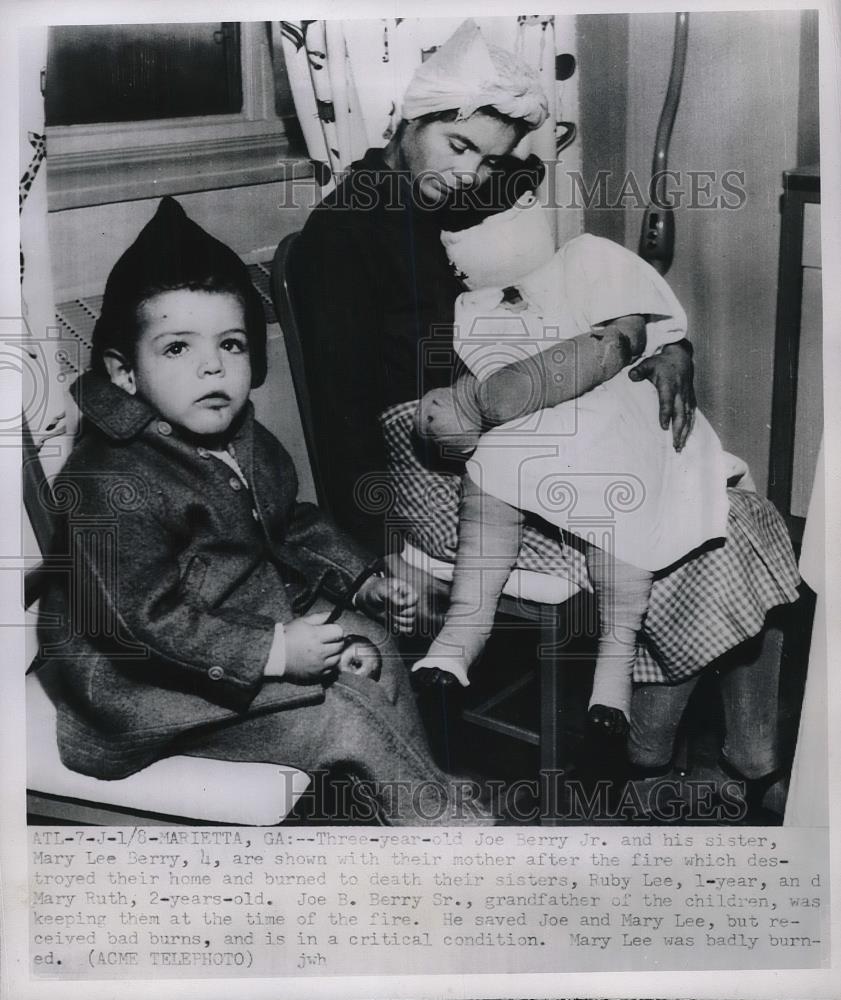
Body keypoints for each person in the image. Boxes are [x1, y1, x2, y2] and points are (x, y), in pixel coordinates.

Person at [291, 19, 800, 817]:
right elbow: (349, 418)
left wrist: (663, 344)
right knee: (702, 525)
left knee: (731, 509)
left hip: (520, 421)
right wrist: (369, 553)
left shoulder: (437, 201)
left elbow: (549, 242)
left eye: (488, 160)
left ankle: (748, 755)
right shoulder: (341, 237)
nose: (470, 176)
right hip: (441, 464)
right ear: (408, 120)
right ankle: (650, 760)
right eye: (457, 146)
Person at [36, 196, 491, 826]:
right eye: (176, 349)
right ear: (124, 372)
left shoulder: (243, 437)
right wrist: (276, 653)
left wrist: (361, 581)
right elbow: (139, 625)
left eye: (231, 343)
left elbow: (290, 521)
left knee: (378, 645)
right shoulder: (107, 479)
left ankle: (398, 805)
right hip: (140, 688)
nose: (211, 365)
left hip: (237, 626)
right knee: (345, 717)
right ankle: (447, 832)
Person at [412, 196, 732, 741]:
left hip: (619, 406)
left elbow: (624, 336)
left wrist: (669, 349)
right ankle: (460, 635)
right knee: (491, 474)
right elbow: (490, 391)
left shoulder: (588, 256)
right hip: (539, 422)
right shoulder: (474, 305)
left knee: (623, 496)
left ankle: (614, 668)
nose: (457, 258)